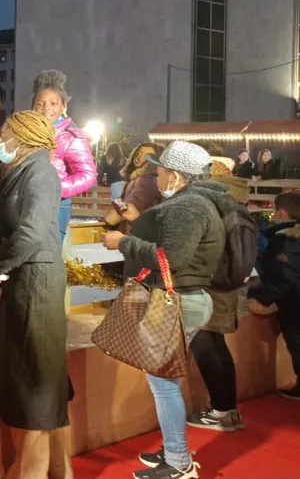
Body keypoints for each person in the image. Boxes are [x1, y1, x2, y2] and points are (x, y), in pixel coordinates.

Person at [102, 141, 224, 479]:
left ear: (176, 177)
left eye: (159, 172)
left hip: (179, 299)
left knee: (164, 384)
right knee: (166, 381)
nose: (155, 178)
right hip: (189, 297)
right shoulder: (197, 203)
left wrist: (123, 242)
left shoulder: (187, 207)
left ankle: (179, 462)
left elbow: (171, 257)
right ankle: (174, 451)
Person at [0, 110, 73, 479]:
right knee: (29, 375)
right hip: (16, 284)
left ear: (24, 136)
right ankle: (58, 469)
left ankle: (33, 471)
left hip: (35, 285)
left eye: (6, 133)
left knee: (36, 375)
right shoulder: (11, 171)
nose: (0, 140)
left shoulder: (41, 171)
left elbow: (31, 232)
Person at [184, 162, 256, 433]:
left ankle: (220, 412)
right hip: (227, 287)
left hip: (209, 286)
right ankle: (228, 410)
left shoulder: (217, 210)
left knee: (205, 347)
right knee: (217, 346)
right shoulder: (237, 208)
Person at [31, 70, 97, 242]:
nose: (46, 108)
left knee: (48, 252)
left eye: (53, 103)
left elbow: (88, 175)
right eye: (40, 104)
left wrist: (58, 188)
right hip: (27, 201)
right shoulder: (26, 133)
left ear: (64, 107)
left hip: (56, 205)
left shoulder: (71, 136)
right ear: (33, 107)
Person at [247, 191, 300, 400]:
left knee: (297, 342)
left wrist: (263, 298)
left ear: (283, 213)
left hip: (294, 303)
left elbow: (283, 277)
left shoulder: (286, 240)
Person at [103, 142, 163, 233]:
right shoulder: (137, 178)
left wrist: (106, 222)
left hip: (137, 233)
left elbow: (129, 208)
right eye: (138, 153)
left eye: (146, 155)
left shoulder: (147, 180)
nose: (139, 157)